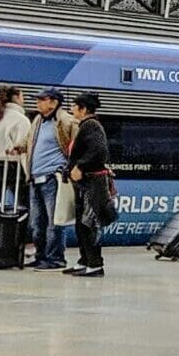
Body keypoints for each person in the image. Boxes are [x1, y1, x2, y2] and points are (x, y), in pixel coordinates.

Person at [65, 92, 113, 279]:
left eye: (74, 106)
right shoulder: (86, 126)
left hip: (93, 183)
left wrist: (80, 166)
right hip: (85, 183)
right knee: (81, 224)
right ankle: (84, 260)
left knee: (89, 223)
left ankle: (95, 263)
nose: (71, 109)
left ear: (83, 109)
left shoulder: (91, 126)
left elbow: (98, 150)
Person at [26, 88, 74, 269]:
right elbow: (30, 141)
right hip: (35, 178)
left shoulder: (65, 121)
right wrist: (18, 148)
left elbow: (76, 144)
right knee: (37, 223)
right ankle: (41, 256)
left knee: (55, 222)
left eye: (41, 100)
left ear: (54, 103)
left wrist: (68, 167)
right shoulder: (38, 120)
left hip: (53, 179)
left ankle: (55, 258)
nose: (37, 103)